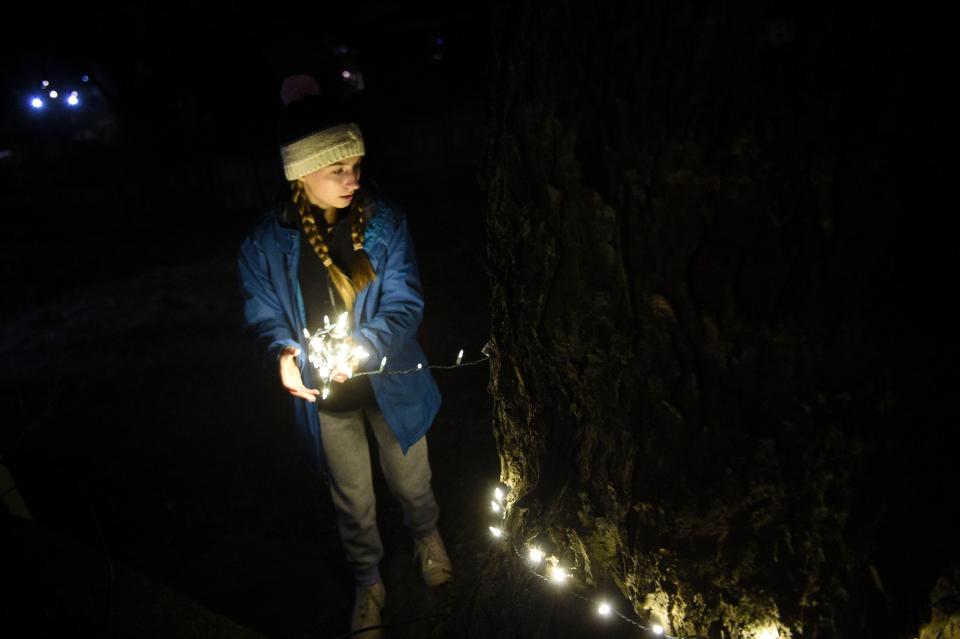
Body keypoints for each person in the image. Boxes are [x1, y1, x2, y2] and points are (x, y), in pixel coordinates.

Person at [237, 74, 452, 638]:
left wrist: (366, 347)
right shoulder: (266, 242)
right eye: (337, 169)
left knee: (411, 479)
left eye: (355, 165)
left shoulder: (384, 226)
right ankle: (368, 580)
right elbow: (264, 311)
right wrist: (282, 352)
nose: (352, 178)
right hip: (323, 397)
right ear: (300, 173)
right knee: (351, 498)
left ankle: (426, 536)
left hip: (392, 383)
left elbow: (404, 302)